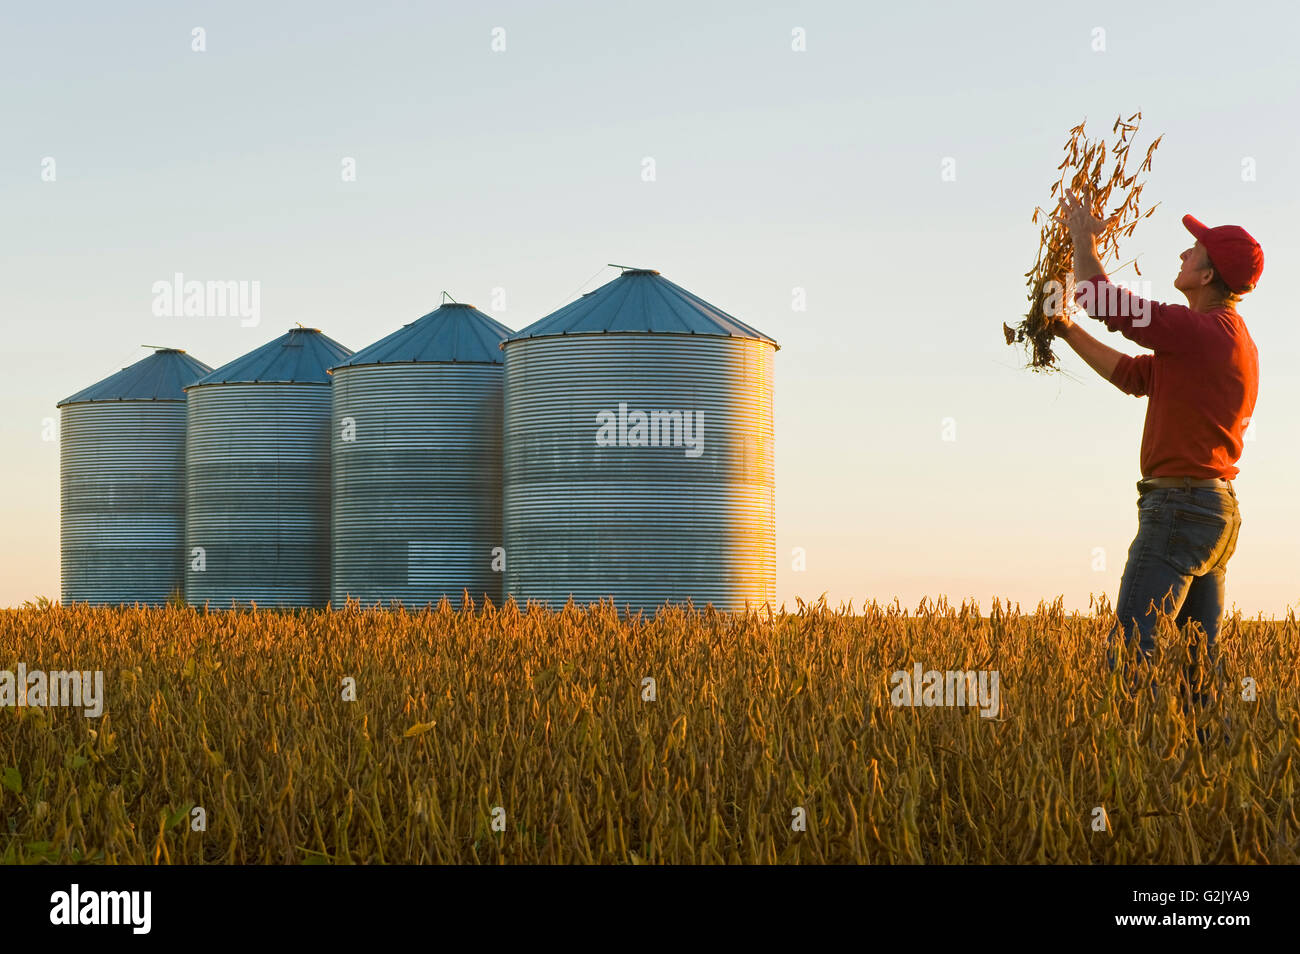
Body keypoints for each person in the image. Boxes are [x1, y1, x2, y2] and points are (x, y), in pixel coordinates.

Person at [1050, 189, 1262, 712]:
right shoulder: (1227, 339)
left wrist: (1082, 236)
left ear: (1208, 277)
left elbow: (1101, 298)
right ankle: (1205, 767)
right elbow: (1133, 375)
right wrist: (1063, 328)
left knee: (1130, 654)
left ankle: (1117, 767)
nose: (1183, 256)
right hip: (1213, 512)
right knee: (1198, 673)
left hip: (1179, 510)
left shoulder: (1199, 331)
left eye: (1194, 252)